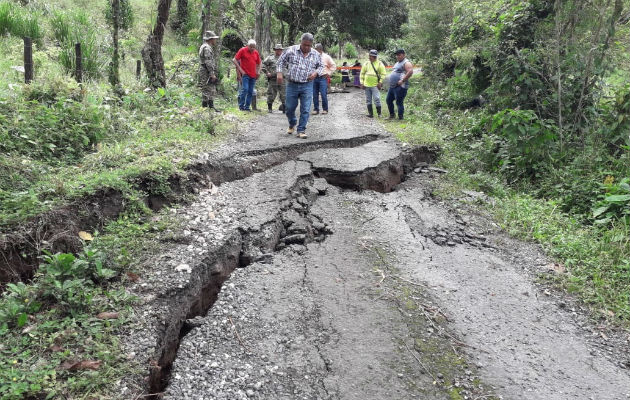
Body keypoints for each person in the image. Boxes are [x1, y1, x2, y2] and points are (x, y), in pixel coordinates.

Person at [276, 33, 323, 139]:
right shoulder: (291, 50)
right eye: (304, 45)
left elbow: (321, 66)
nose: (306, 47)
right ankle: (292, 123)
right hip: (292, 84)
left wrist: (315, 73)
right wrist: (279, 73)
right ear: (300, 42)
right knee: (289, 108)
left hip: (307, 85)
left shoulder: (315, 54)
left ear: (311, 44)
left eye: (308, 45)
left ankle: (301, 129)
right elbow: (280, 62)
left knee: (306, 108)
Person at [232, 39, 261, 111]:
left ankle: (247, 107)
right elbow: (234, 60)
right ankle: (241, 106)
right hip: (245, 74)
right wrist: (240, 70)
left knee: (251, 91)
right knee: (245, 89)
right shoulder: (242, 50)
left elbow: (260, 63)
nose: (252, 48)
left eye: (253, 47)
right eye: (251, 47)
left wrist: (258, 72)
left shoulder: (256, 53)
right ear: (247, 46)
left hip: (253, 75)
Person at [386, 48, 413, 120]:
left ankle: (400, 117)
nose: (398, 56)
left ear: (404, 55)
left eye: (399, 55)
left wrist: (402, 80)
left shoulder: (406, 63)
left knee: (399, 102)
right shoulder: (397, 63)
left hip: (400, 87)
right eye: (397, 55)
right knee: (388, 100)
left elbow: (410, 72)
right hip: (392, 86)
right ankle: (392, 115)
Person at [360, 49, 387, 118]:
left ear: (374, 57)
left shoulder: (380, 64)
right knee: (368, 100)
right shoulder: (366, 63)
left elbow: (383, 74)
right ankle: (370, 114)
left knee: (377, 99)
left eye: (371, 56)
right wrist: (362, 83)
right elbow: (362, 73)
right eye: (369, 56)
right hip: (366, 85)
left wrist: (380, 82)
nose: (369, 57)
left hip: (375, 85)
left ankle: (379, 114)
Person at [312, 43, 336, 115]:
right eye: (315, 49)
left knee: (323, 94)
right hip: (314, 78)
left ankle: (325, 109)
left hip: (323, 78)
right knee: (314, 94)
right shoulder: (312, 56)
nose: (315, 51)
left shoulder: (326, 57)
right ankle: (316, 109)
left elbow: (333, 66)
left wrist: (328, 73)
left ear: (320, 50)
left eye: (317, 50)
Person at [198, 30, 220, 111]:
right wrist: (212, 73)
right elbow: (208, 61)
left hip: (205, 70)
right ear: (211, 39)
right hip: (206, 70)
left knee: (209, 88)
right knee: (207, 88)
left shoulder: (205, 46)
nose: (215, 40)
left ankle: (210, 106)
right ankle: (205, 107)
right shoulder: (207, 48)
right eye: (214, 39)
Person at [262, 44, 286, 113]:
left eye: (280, 50)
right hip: (273, 79)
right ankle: (270, 108)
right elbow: (263, 65)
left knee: (284, 94)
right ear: (275, 50)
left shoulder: (285, 58)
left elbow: (289, 66)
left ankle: (284, 109)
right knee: (271, 93)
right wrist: (267, 72)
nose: (279, 51)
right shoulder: (270, 58)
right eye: (277, 50)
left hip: (283, 78)